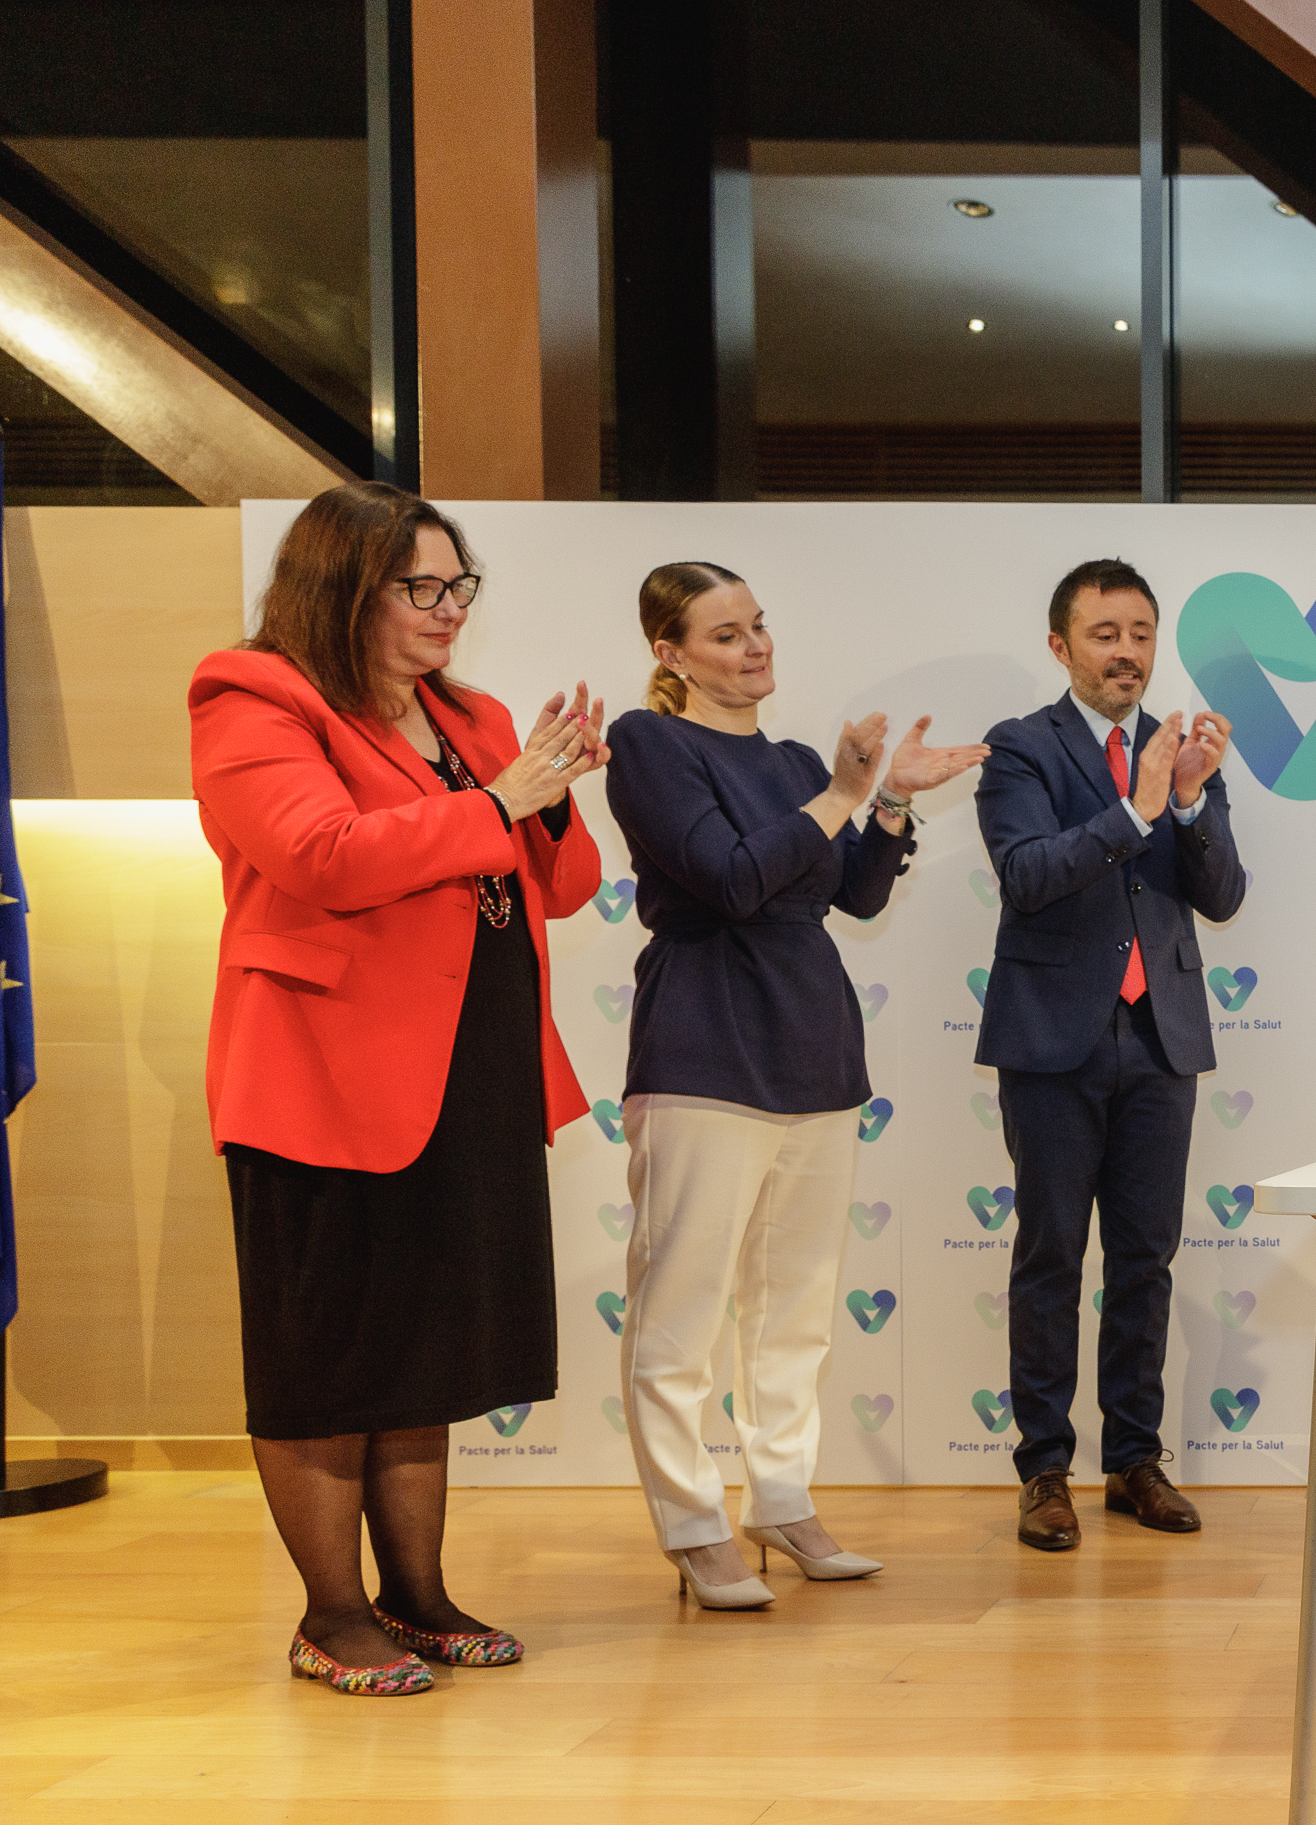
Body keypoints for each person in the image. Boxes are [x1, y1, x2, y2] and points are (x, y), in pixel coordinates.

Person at [189, 481, 608, 1696]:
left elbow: (565, 885)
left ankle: (416, 1597)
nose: (447, 608)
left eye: (457, 584)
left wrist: (549, 792)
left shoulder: (471, 716)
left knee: (427, 1347)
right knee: (327, 1356)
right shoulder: (254, 696)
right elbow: (317, 855)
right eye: (417, 587)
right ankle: (331, 1615)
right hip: (319, 1078)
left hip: (466, 1073)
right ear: (341, 589)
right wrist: (498, 802)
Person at [605, 561, 987, 1608]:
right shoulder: (650, 743)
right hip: (704, 1045)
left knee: (796, 1311)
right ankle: (693, 1525)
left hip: (813, 1050)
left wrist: (890, 802)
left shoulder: (791, 762)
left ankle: (779, 1499)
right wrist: (843, 794)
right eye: (725, 634)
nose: (755, 646)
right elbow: (731, 878)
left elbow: (852, 895)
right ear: (671, 654)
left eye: (758, 625)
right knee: (680, 1311)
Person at [975, 558, 1243, 1551]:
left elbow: (1222, 896)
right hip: (1053, 1039)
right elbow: (1027, 874)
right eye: (1104, 633)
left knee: (1144, 1260)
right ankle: (1044, 1468)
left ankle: (1135, 1458)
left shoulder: (1180, 752)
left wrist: (1188, 802)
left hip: (1161, 1038)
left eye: (1140, 633)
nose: (1126, 652)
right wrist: (1135, 809)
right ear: (1061, 646)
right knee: (1050, 1255)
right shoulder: (1021, 747)